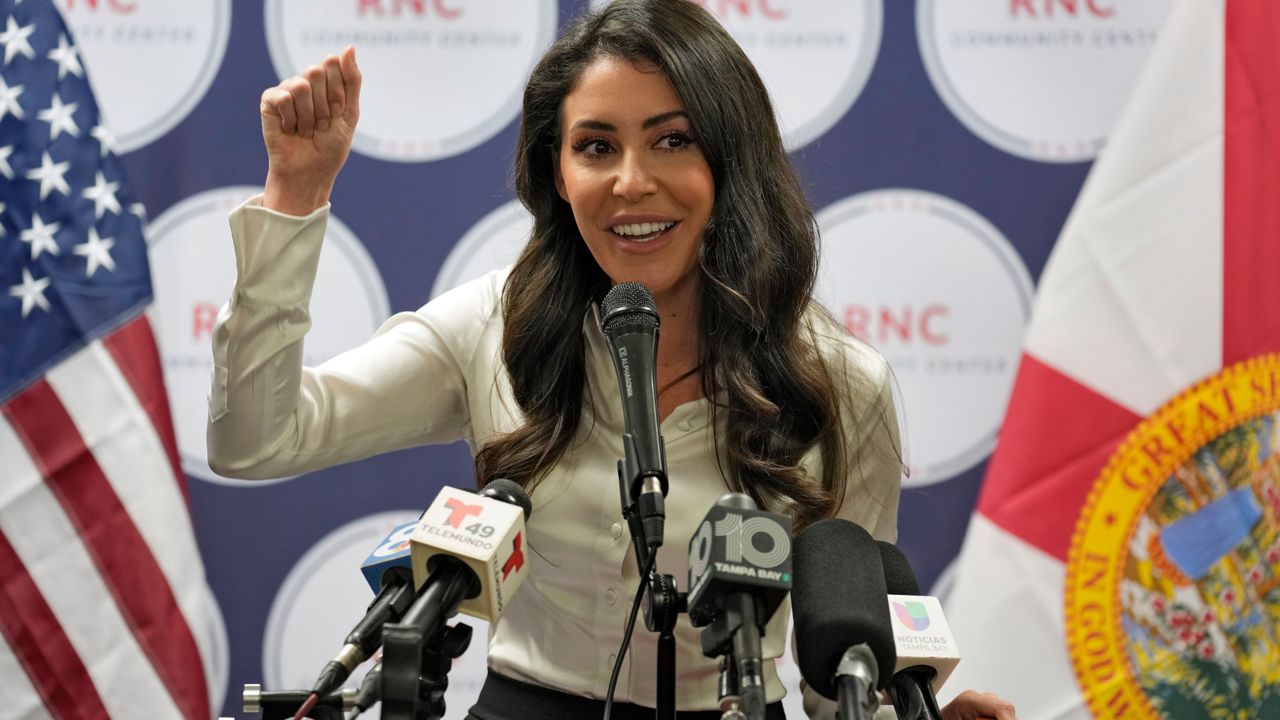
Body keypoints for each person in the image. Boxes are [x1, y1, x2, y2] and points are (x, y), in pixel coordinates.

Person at [207, 1, 1017, 718]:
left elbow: (838, 665)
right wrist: (294, 196)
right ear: (557, 174)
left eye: (673, 141)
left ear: (730, 164)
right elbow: (257, 440)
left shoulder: (839, 383)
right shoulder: (492, 325)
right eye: (596, 147)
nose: (632, 183)